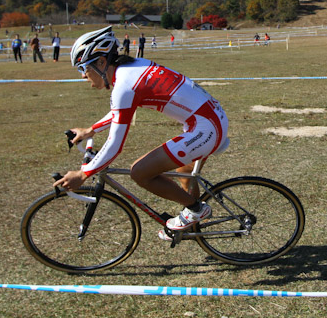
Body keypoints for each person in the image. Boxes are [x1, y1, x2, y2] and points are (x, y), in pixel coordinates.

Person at [55, 26, 228, 236]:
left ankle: (196, 210)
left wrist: (84, 173)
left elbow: (115, 145)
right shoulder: (132, 67)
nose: (83, 76)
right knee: (184, 173)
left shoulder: (125, 85)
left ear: (101, 62)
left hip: (205, 128)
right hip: (210, 120)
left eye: (83, 68)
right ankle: (192, 223)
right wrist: (90, 130)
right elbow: (120, 112)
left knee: (140, 172)